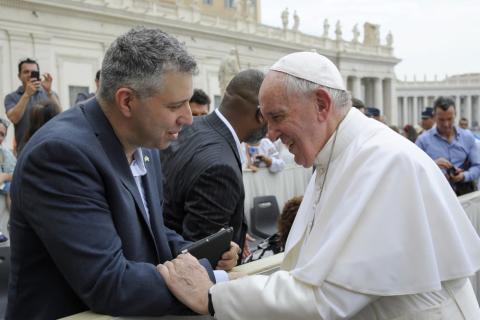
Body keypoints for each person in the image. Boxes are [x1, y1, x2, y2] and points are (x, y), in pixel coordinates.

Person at [158, 52, 480, 319]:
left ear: (322, 105)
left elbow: (324, 297)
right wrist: (226, 280)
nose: (270, 134)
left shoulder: (383, 163)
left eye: (277, 117)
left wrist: (215, 296)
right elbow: (305, 269)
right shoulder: (336, 155)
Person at [7, 27, 239, 320]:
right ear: (127, 101)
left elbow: (151, 231)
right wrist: (209, 281)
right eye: (175, 105)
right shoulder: (60, 155)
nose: (189, 119)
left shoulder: (145, 142)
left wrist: (203, 253)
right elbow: (108, 282)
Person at [161, 69, 266, 255]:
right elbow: (203, 253)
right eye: (274, 116)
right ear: (261, 115)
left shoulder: (189, 128)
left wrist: (236, 231)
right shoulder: (221, 168)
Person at [416, 96, 480, 196]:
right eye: (441, 120)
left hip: (464, 194)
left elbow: (477, 166)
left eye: (450, 119)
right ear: (434, 116)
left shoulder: (468, 137)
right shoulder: (422, 141)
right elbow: (415, 169)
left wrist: (464, 176)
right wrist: (433, 165)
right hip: (436, 195)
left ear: (456, 115)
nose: (446, 124)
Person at [4, 58, 60, 154]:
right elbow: (14, 118)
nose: (30, 75)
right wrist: (26, 94)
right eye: (26, 72)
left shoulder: (48, 93)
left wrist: (49, 92)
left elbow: (60, 115)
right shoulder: (11, 97)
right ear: (19, 76)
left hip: (49, 148)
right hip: (25, 150)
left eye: (33, 72)